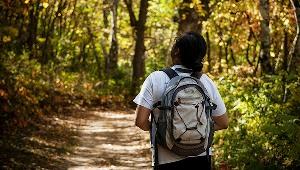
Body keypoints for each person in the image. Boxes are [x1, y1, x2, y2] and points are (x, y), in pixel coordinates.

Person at [133, 32, 229, 170]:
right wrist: (197, 132)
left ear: (177, 51)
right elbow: (223, 122)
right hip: (201, 158)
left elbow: (140, 121)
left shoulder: (156, 79)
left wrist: (165, 131)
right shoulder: (205, 81)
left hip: (166, 159)